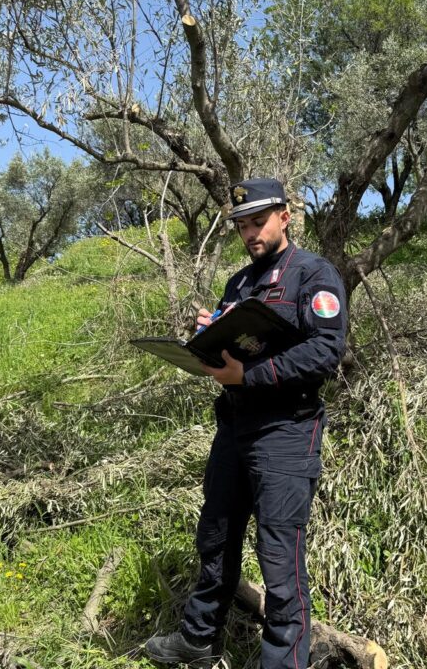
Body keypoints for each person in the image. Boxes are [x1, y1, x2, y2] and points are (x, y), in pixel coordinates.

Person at [145, 178, 348, 669]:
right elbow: (242, 344)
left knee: (279, 557)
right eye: (242, 226)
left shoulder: (313, 275)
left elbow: (326, 350)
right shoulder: (239, 283)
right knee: (215, 536)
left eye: (259, 222)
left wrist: (249, 373)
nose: (251, 233)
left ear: (285, 215)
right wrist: (210, 337)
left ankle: (282, 663)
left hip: (286, 431)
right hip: (233, 429)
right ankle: (198, 641)